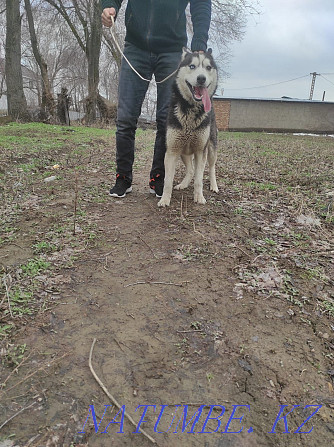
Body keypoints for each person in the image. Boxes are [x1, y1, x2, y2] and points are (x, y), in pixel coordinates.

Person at [101, 0, 212, 198]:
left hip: (172, 50)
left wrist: (200, 42)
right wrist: (110, 5)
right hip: (135, 47)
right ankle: (123, 178)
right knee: (125, 118)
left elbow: (201, 3)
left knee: (165, 120)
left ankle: (158, 178)